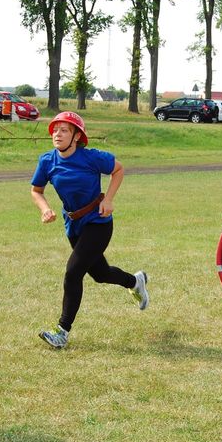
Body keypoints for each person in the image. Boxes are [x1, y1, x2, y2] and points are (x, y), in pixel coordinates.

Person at [30, 111, 149, 349]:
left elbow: (118, 169)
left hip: (98, 222)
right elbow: (36, 190)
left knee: (73, 272)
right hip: (73, 225)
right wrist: (45, 209)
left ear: (76, 136)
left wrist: (109, 199)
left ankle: (62, 332)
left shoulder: (92, 157)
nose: (57, 134)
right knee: (100, 274)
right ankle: (135, 282)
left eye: (64, 130)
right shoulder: (47, 161)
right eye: (55, 129)